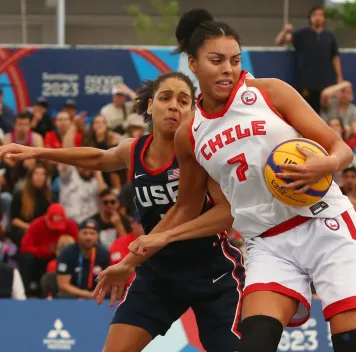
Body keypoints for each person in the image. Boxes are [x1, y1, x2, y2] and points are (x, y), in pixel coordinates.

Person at [119, 9, 356, 352]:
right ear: (193, 63)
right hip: (267, 241)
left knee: (354, 345)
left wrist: (326, 164)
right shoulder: (191, 133)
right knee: (254, 343)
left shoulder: (270, 93)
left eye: (234, 59)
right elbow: (187, 205)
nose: (227, 69)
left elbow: (341, 148)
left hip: (324, 222)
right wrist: (153, 244)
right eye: (216, 60)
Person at [0, 71, 245, 352]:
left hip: (211, 272)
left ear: (192, 110)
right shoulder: (134, 150)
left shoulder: (203, 152)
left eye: (183, 100)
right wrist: (37, 152)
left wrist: (155, 243)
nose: (174, 106)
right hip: (159, 273)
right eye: (165, 98)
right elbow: (97, 157)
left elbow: (226, 215)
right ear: (150, 106)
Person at [56, 219, 110, 299]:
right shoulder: (67, 253)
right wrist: (87, 294)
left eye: (92, 233)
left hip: (96, 294)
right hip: (74, 295)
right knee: (63, 296)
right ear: (78, 234)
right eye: (85, 233)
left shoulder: (104, 253)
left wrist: (97, 293)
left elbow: (108, 282)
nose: (88, 237)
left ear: (97, 236)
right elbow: (63, 285)